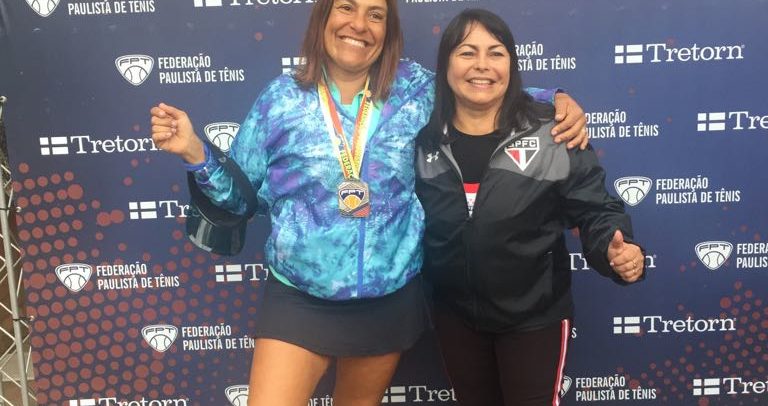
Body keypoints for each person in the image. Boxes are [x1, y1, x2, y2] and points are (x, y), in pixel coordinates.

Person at [150, 1, 588, 405]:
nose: (359, 25)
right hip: (300, 297)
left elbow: (479, 91)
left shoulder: (417, 91)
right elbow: (239, 198)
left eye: (375, 14)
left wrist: (554, 100)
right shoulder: (279, 100)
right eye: (346, 7)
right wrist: (196, 153)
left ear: (388, 30)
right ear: (323, 18)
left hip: (385, 300)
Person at [414, 9, 645, 406]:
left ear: (512, 64)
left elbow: (595, 207)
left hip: (534, 317)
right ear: (446, 64)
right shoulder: (420, 139)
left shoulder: (553, 131)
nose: (482, 65)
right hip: (454, 317)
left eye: (496, 53)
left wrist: (612, 246)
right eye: (467, 52)